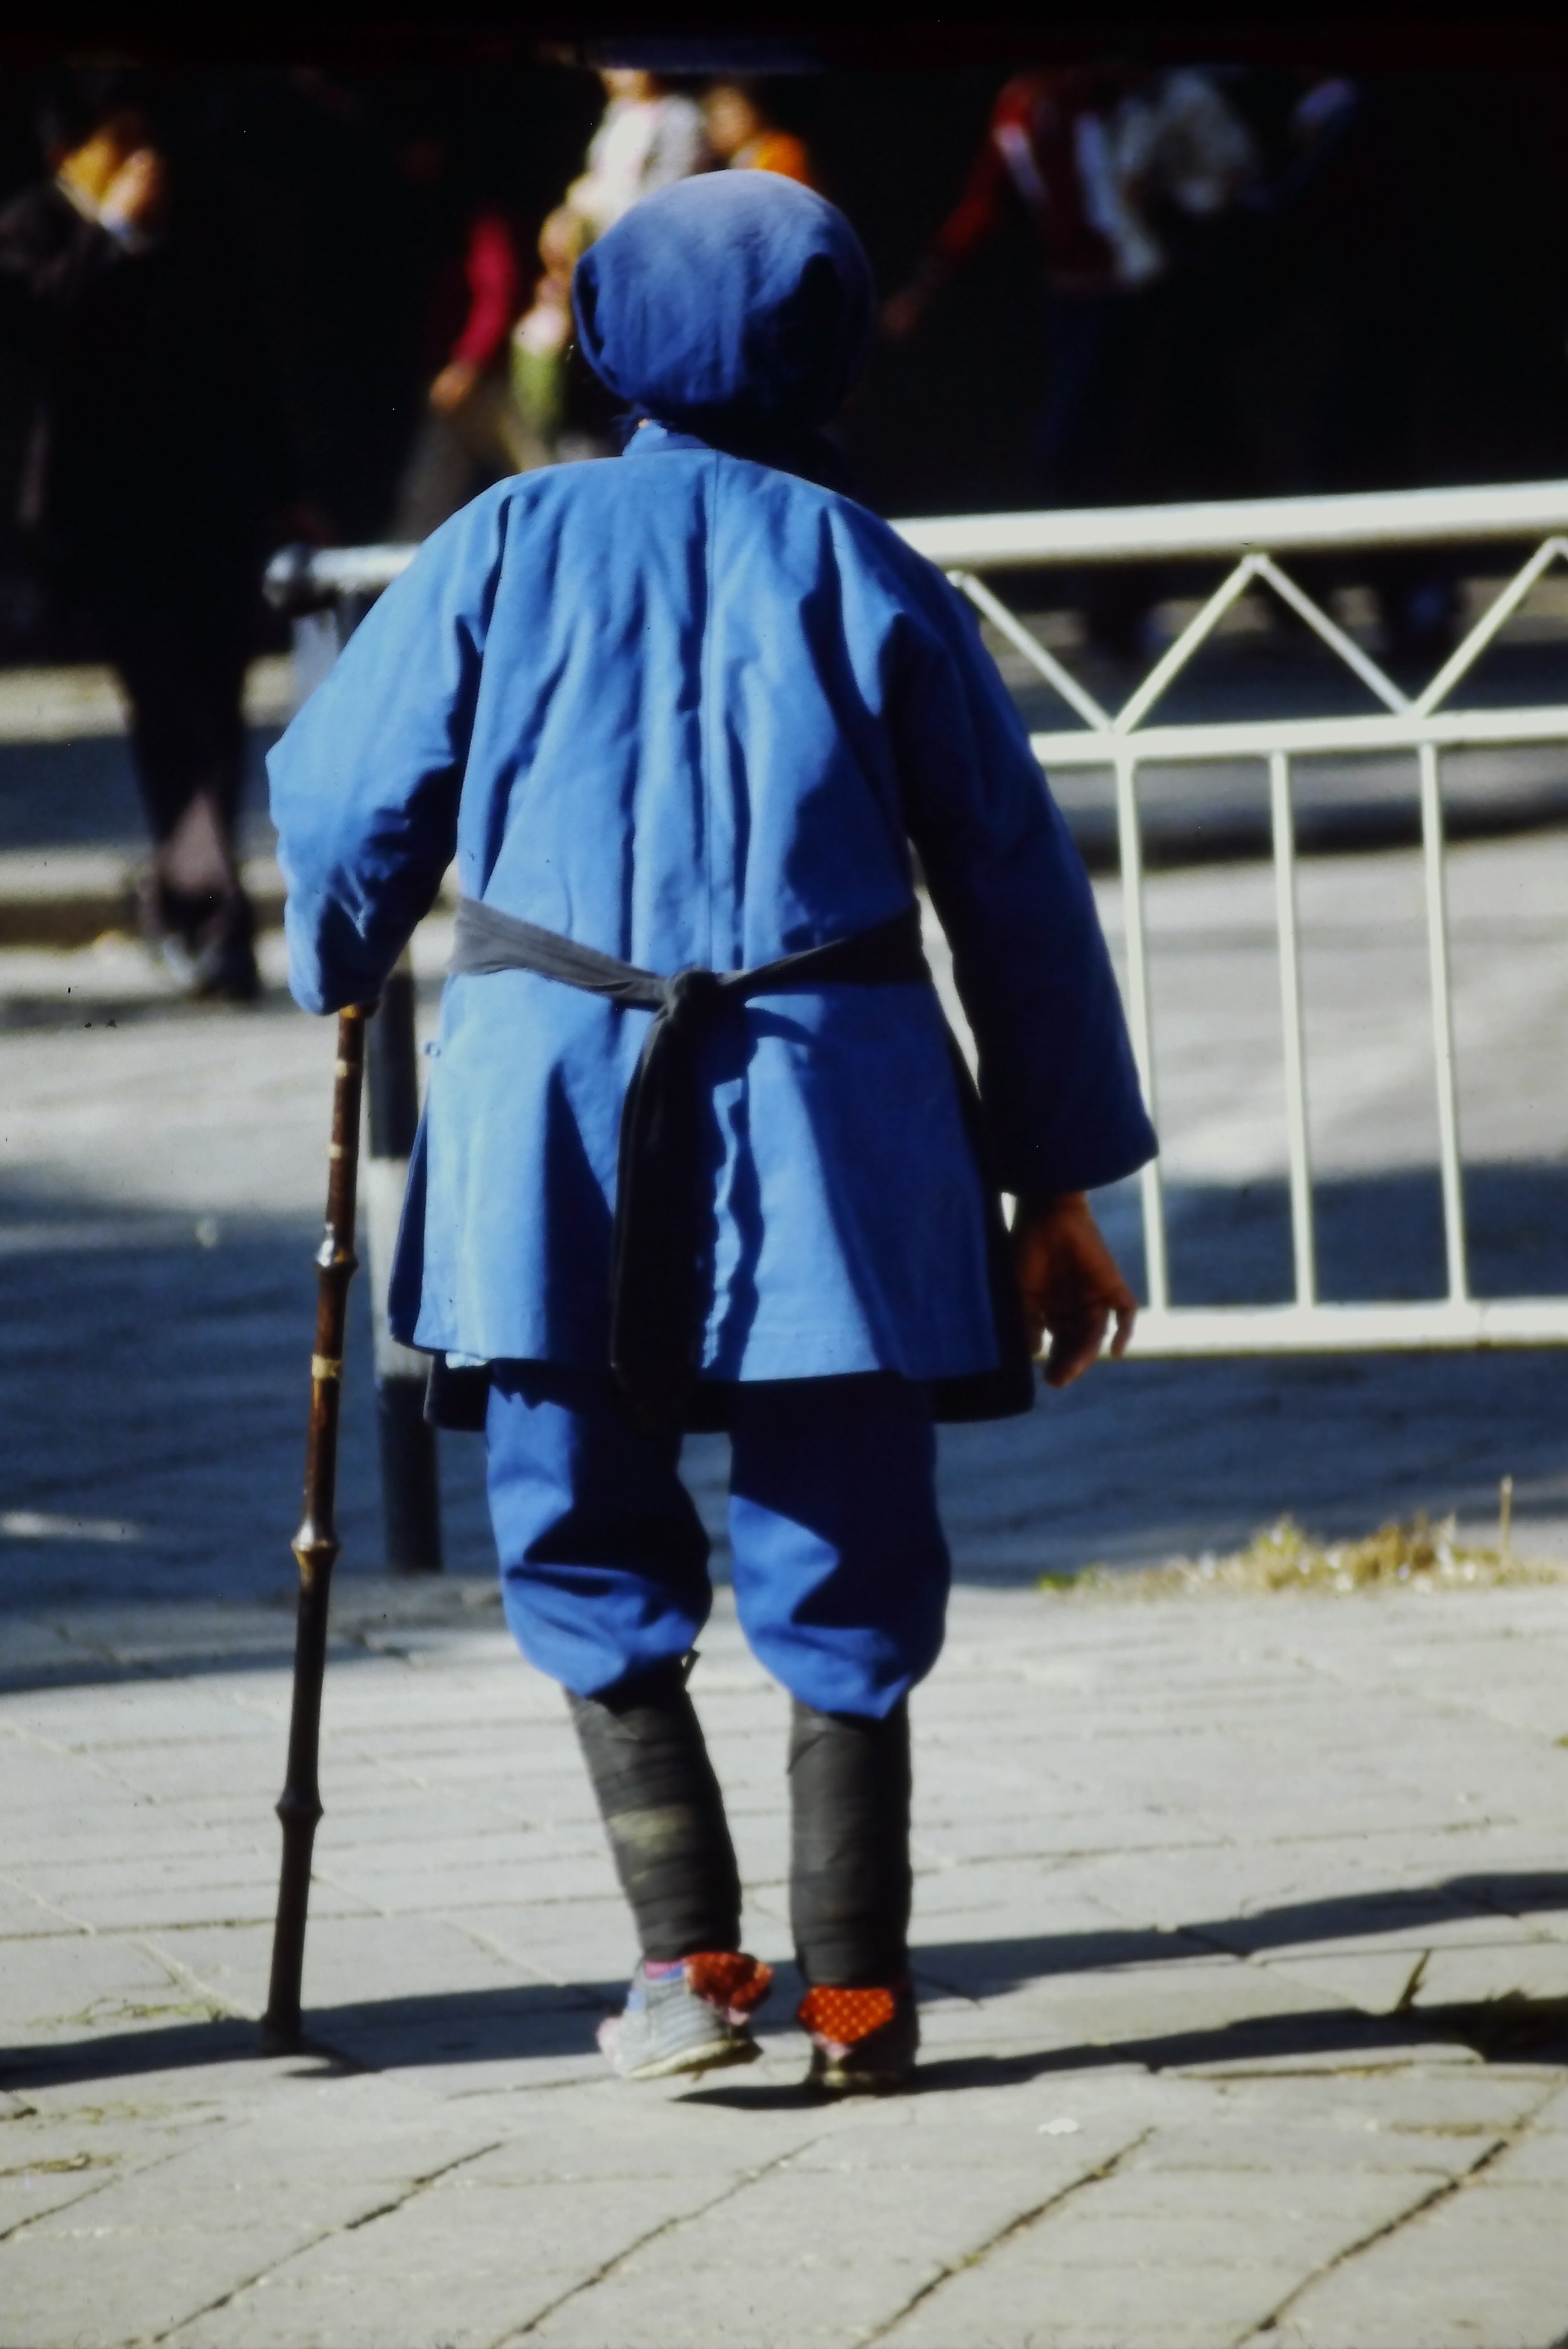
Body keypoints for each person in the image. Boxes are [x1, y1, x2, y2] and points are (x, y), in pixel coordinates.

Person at [269, 173, 1155, 2094]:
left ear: (597, 342)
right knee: (842, 1536)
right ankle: (853, 1998)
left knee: (575, 1520)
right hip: (833, 1119)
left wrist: (338, 953)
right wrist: (1054, 1180)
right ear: (835, 348)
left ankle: (683, 1969)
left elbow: (342, 815)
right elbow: (1013, 887)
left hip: (544, 1117)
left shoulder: (500, 541)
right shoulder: (870, 567)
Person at [0, 80, 293, 998]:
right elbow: (40, 327)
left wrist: (291, 490)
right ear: (69, 154)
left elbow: (250, 361)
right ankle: (216, 917)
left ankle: (186, 902)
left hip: (213, 510)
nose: (142, 161)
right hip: (108, 521)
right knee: (169, 712)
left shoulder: (200, 221)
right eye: (116, 143)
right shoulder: (34, 226)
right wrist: (115, 235)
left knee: (215, 711)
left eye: (145, 138)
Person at [507, 68, 709, 468]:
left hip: (645, 271)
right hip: (595, 269)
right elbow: (593, 184)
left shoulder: (680, 117)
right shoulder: (617, 114)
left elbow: (667, 194)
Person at [703, 80, 815, 185]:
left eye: (722, 119)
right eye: (713, 119)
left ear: (751, 114)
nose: (712, 128)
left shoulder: (781, 152)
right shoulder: (740, 160)